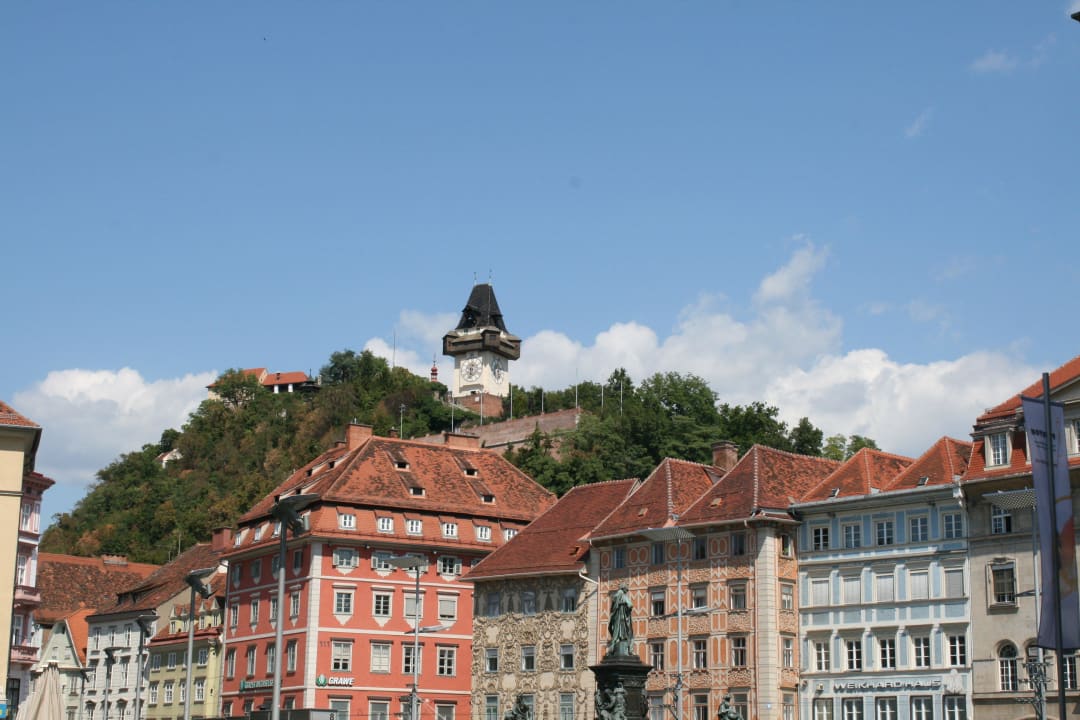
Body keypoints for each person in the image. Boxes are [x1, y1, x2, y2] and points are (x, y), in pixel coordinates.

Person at [607, 584, 633, 656]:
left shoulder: (620, 595)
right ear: (623, 588)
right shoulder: (621, 593)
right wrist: (624, 604)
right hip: (620, 616)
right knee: (621, 629)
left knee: (619, 629)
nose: (627, 591)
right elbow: (630, 605)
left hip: (619, 616)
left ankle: (618, 640)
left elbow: (613, 605)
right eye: (626, 589)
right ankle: (619, 639)